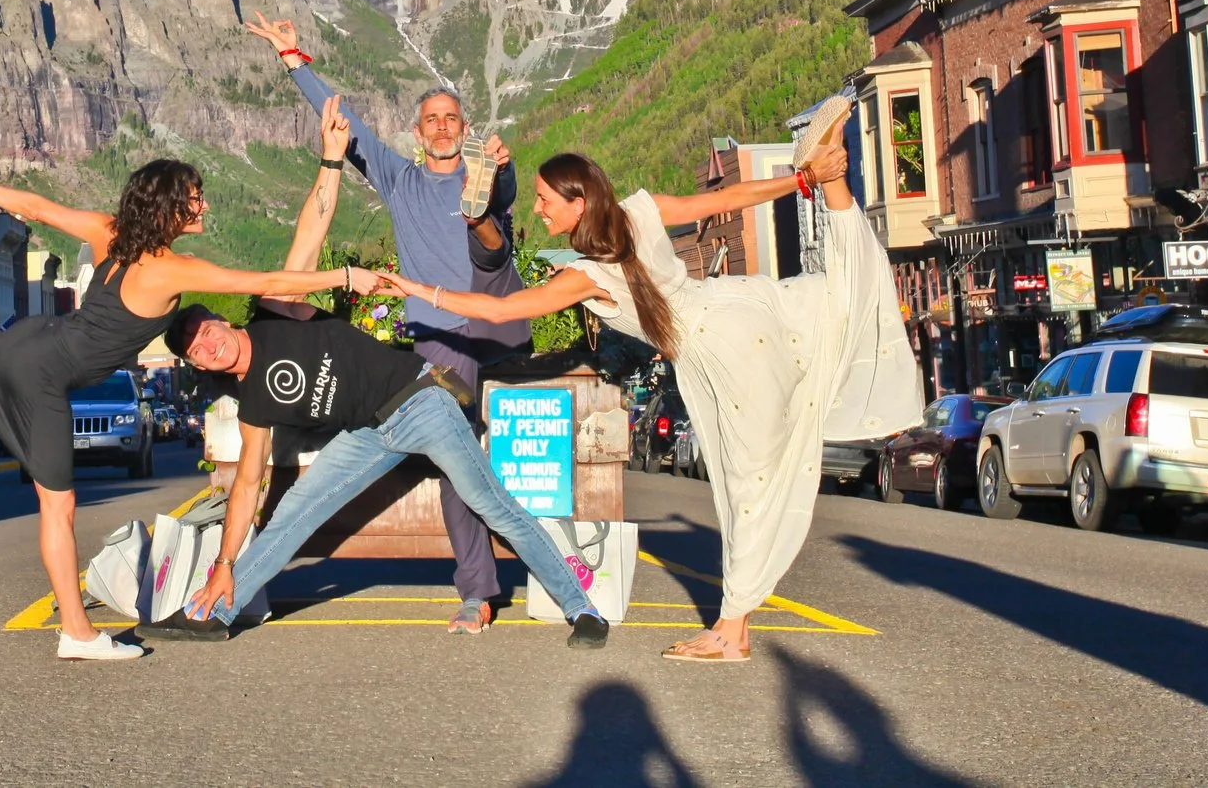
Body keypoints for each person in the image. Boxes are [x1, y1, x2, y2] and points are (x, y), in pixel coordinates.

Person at [377, 96, 917, 662]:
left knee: (747, 484)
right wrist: (799, 181)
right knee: (836, 303)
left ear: (577, 204)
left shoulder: (586, 275)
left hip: (722, 352)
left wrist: (418, 290)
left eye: (544, 200)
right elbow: (725, 200)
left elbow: (500, 310)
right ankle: (830, 178)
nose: (538, 210)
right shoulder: (639, 212)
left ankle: (731, 631)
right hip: (737, 308)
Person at [145, 95, 606, 644]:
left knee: (491, 503)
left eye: (206, 332)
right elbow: (247, 485)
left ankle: (582, 609)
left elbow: (312, 229)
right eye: (196, 352)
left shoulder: (275, 312)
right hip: (369, 431)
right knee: (295, 510)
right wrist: (223, 563)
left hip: (420, 400)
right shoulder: (253, 406)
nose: (208, 347)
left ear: (222, 320)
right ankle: (217, 613)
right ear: (198, 365)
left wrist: (332, 158)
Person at [0, 128, 381, 662]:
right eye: (195, 197)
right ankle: (77, 633)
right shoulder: (170, 269)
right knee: (58, 507)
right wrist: (346, 275)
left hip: (31, 341)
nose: (203, 205)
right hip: (45, 374)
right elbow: (268, 282)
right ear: (170, 206)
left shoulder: (108, 232)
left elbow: (36, 208)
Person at [246, 11, 533, 632]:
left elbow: (504, 197)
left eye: (451, 118)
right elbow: (345, 129)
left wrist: (501, 168)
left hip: (476, 327)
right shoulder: (400, 181)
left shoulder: (482, 177)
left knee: (455, 460)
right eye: (432, 119)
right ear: (417, 132)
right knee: (454, 458)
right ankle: (480, 586)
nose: (441, 126)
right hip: (432, 340)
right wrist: (294, 60)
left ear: (466, 130)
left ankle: (478, 592)